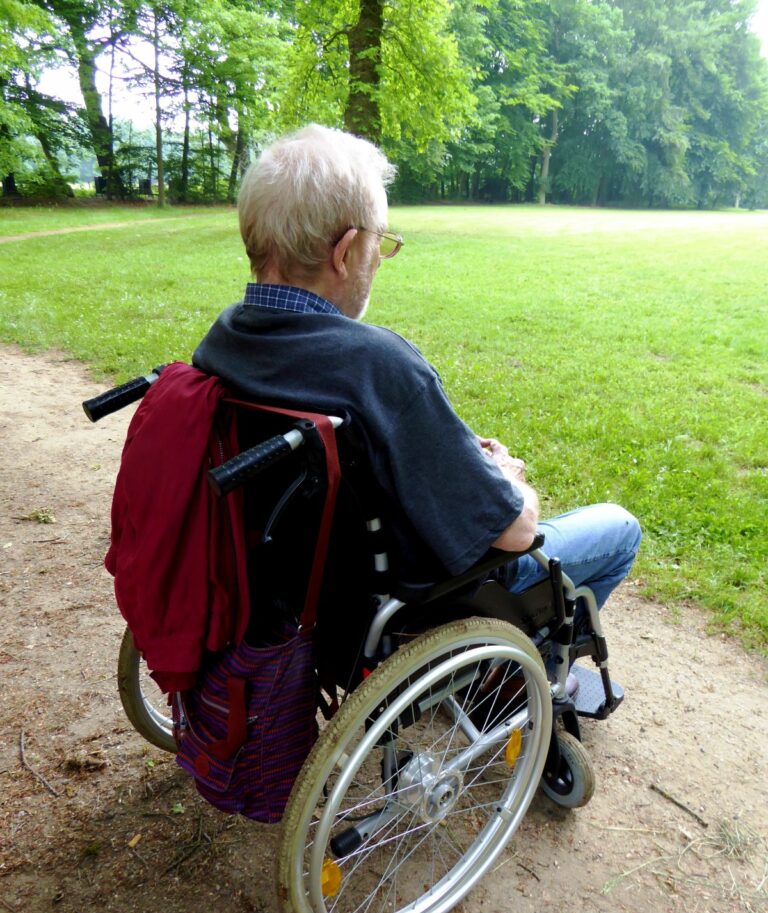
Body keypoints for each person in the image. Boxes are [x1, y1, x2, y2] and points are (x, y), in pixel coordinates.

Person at [192, 124, 641, 690]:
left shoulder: (224, 339)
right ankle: (516, 683)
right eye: (382, 243)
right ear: (347, 250)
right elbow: (515, 533)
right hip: (407, 592)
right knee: (619, 529)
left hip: (285, 577)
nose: (380, 258)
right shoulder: (378, 364)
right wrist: (509, 480)